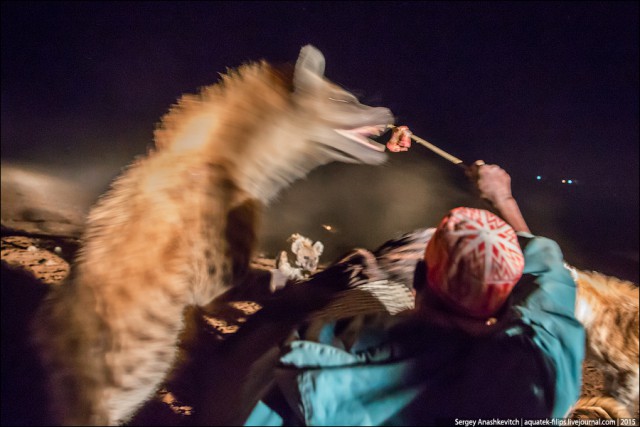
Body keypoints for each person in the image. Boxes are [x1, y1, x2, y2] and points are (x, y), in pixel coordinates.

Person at [243, 142, 586, 425]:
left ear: (420, 277)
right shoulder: (542, 368)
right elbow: (548, 271)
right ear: (505, 299)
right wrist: (503, 200)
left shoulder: (325, 372)